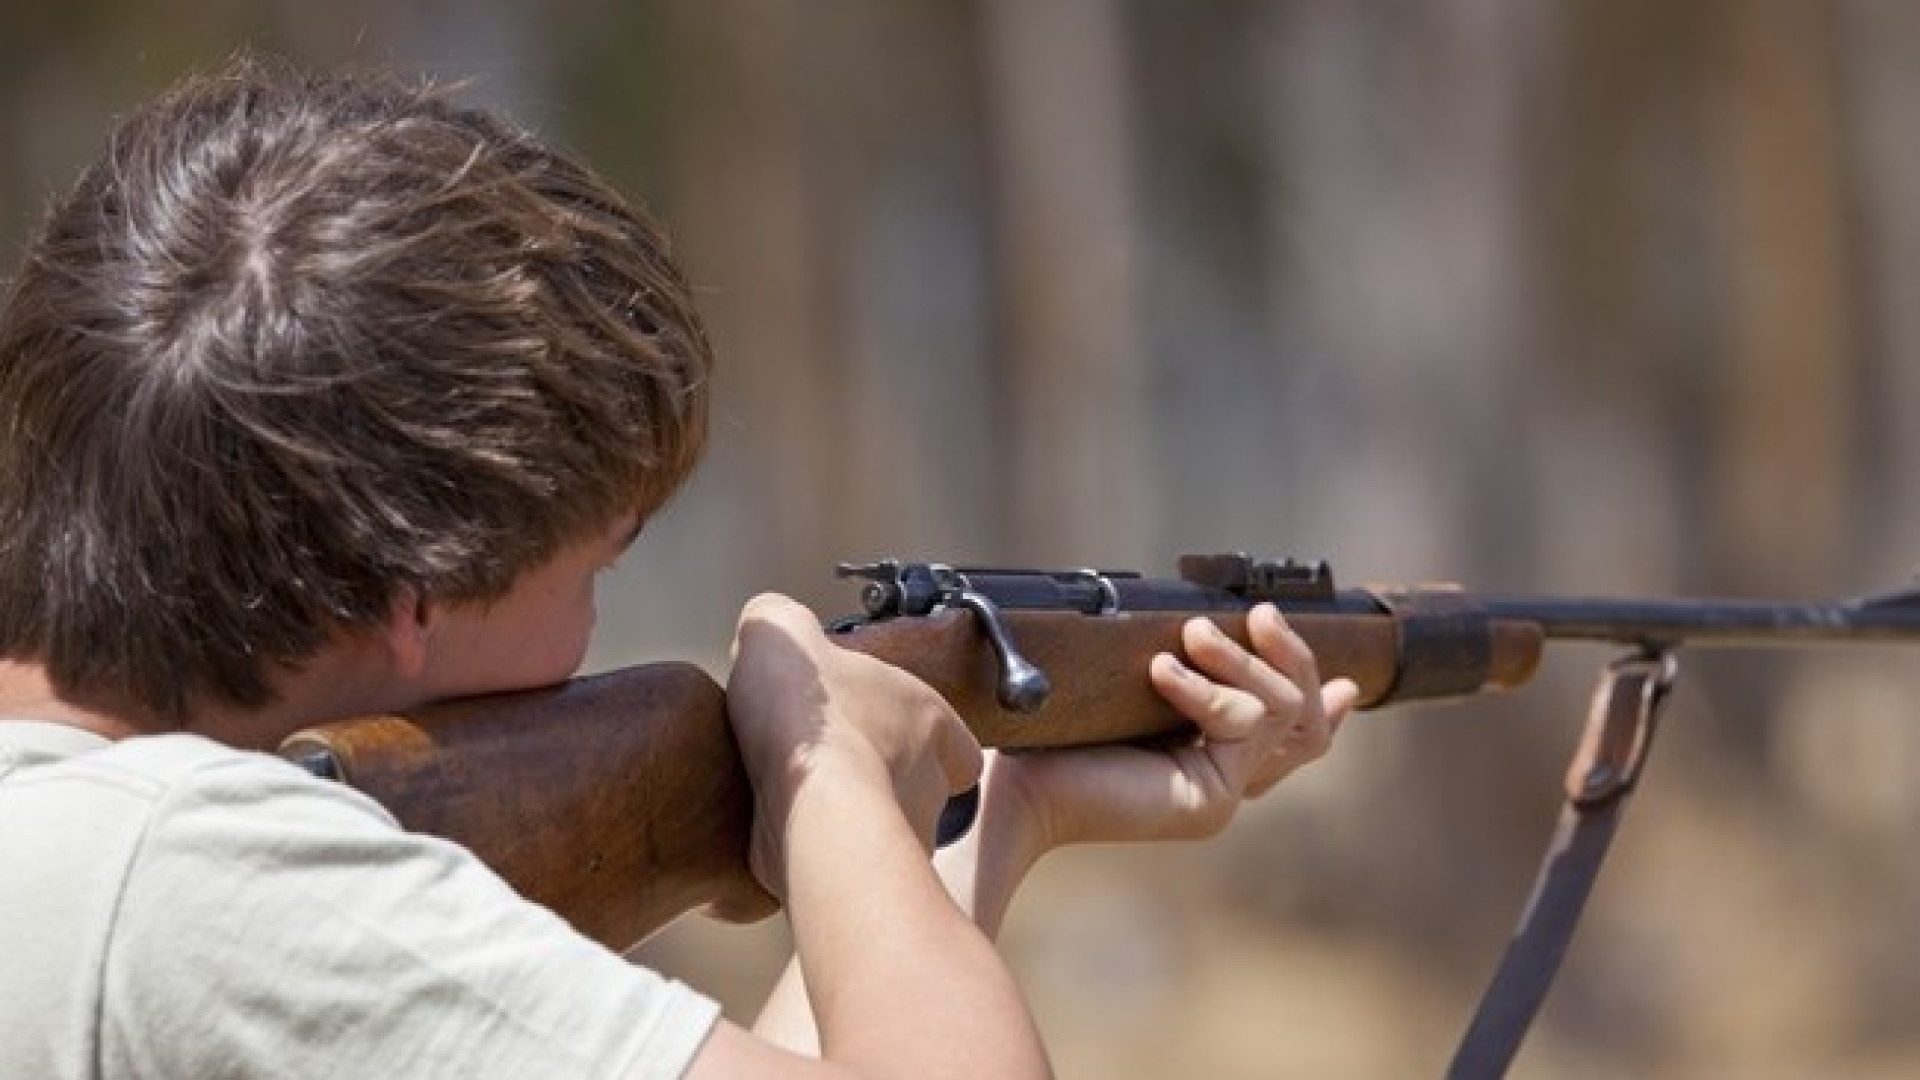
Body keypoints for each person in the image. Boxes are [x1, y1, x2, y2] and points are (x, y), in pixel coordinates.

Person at [0, 60, 1358, 1079]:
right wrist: (822, 771)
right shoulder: (195, 884)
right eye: (596, 569)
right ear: (409, 594)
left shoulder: (96, 852)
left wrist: (991, 805)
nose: (596, 636)